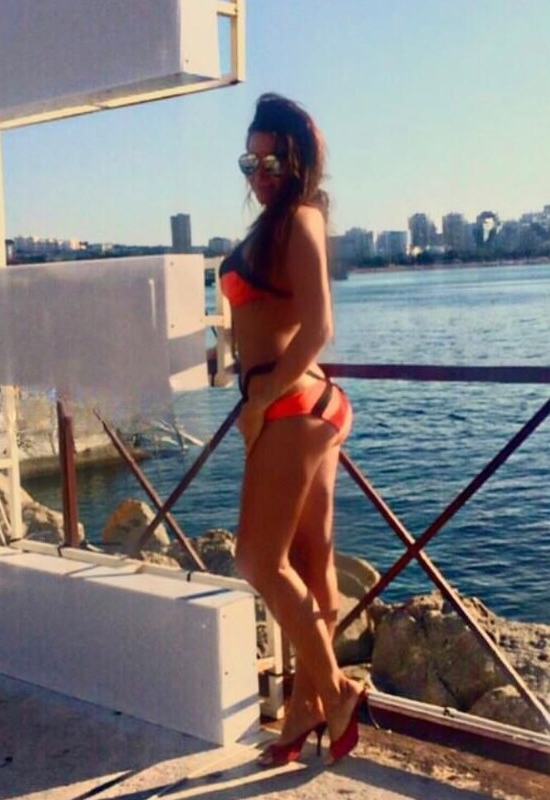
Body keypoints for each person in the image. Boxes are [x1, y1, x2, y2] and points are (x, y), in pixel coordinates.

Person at [220, 93, 366, 767]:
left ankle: (335, 692)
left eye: (272, 161)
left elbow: (319, 326)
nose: (260, 173)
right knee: (309, 565)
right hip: (300, 405)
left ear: (298, 160)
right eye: (250, 161)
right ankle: (306, 704)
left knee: (256, 559)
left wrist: (258, 402)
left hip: (291, 404)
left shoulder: (301, 216)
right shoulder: (270, 227)